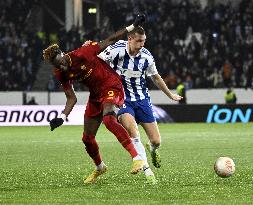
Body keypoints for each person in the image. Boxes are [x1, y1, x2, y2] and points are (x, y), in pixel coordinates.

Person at [42, 15, 146, 184]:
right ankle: (100, 167)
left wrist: (132, 26)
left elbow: (110, 39)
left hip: (111, 85)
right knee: (87, 138)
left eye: (60, 62)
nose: (61, 67)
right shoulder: (60, 72)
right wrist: (62, 117)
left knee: (109, 120)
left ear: (63, 54)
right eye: (56, 66)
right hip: (96, 95)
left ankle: (137, 158)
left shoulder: (83, 53)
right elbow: (71, 98)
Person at [97, 26, 183, 184]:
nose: (142, 44)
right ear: (129, 39)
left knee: (156, 141)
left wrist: (170, 94)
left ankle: (152, 149)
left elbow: (156, 78)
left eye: (144, 41)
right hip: (122, 99)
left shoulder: (146, 57)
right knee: (133, 131)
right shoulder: (116, 50)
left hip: (143, 100)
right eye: (138, 41)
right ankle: (147, 170)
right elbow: (97, 61)